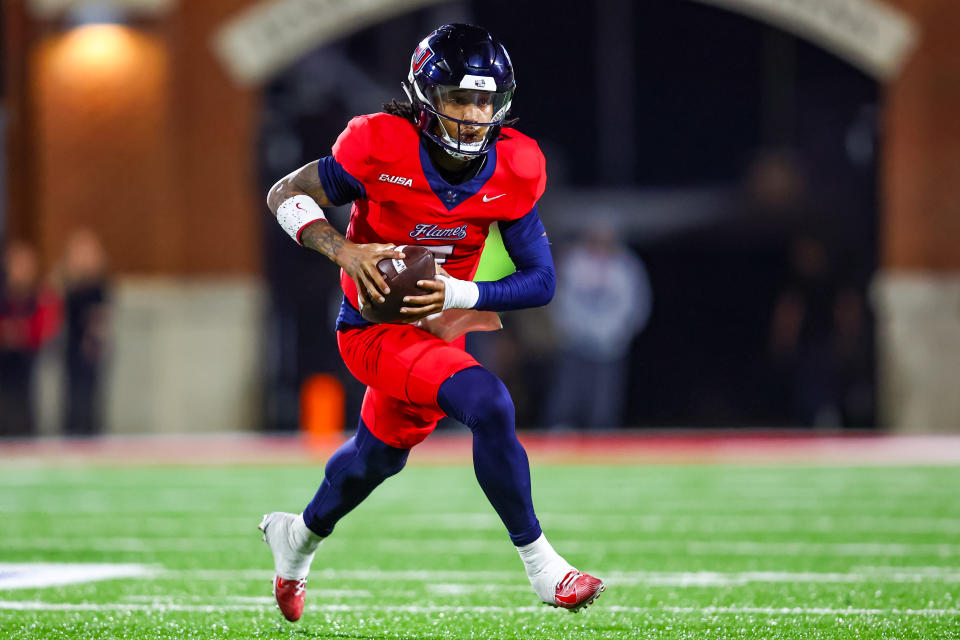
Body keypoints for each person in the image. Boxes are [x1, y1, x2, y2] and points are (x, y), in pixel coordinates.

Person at [259, 24, 604, 622]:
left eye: (484, 101)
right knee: (490, 401)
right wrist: (345, 250)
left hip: (437, 330)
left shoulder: (515, 165)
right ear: (426, 98)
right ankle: (545, 568)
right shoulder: (379, 144)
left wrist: (461, 290)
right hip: (370, 329)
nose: (473, 115)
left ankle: (297, 539)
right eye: (457, 99)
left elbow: (541, 280)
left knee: (376, 459)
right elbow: (284, 194)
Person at [546, 225, 652, 429]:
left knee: (603, 402)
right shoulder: (573, 261)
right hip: (574, 342)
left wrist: (619, 332)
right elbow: (557, 297)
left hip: (609, 345)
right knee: (567, 394)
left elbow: (637, 303)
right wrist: (567, 328)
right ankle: (559, 433)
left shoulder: (626, 266)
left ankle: (602, 437)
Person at [0, 241, 61, 436]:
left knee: (23, 416)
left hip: (27, 366)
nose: (21, 271)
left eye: (26, 266)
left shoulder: (41, 296)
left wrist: (23, 333)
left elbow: (45, 328)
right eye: (17, 265)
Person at [60, 229, 111, 436]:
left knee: (91, 395)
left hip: (92, 348)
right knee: (72, 394)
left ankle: (91, 432)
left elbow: (101, 315)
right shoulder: (67, 285)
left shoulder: (100, 286)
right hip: (71, 347)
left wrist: (96, 339)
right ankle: (72, 431)